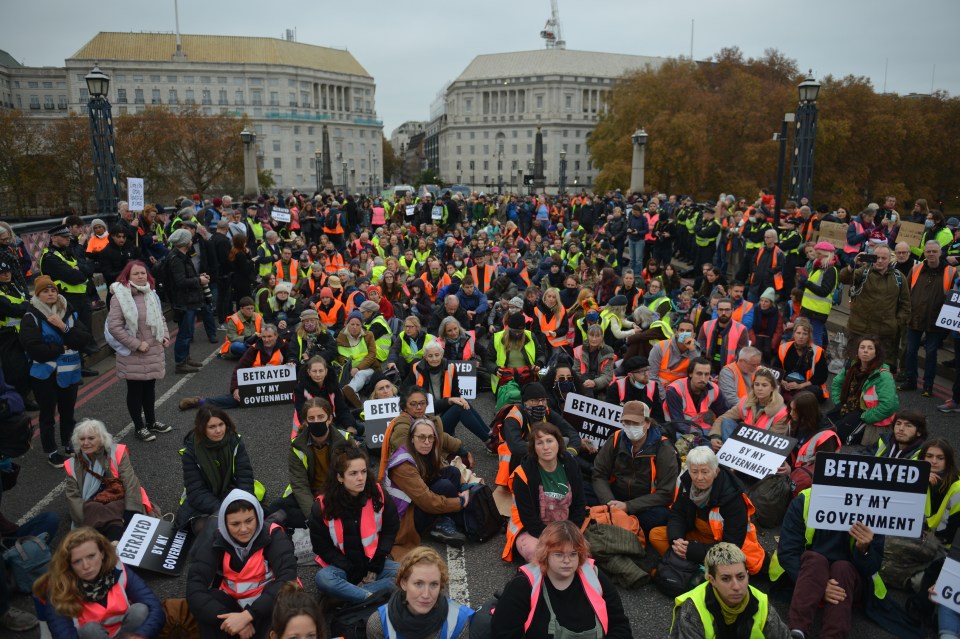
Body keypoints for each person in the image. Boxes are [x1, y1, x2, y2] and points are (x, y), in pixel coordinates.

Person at [770, 489, 885, 639]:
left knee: (842, 568)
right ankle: (797, 631)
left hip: (847, 580)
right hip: (808, 573)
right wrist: (819, 585)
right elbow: (788, 552)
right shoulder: (805, 500)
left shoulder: (872, 507)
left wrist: (864, 549)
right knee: (815, 559)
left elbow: (873, 566)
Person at [492, 520, 633, 639]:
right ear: (544, 554)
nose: (567, 561)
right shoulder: (523, 585)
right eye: (559, 554)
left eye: (573, 554)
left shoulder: (594, 574)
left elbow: (620, 624)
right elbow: (503, 633)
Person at [186, 489, 297, 639]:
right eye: (235, 523)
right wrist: (229, 619)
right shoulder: (216, 539)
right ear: (224, 524)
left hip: (266, 607)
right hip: (233, 608)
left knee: (284, 597)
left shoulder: (274, 535)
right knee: (210, 602)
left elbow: (287, 578)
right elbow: (194, 587)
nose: (243, 529)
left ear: (258, 517)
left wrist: (249, 615)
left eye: (249, 521)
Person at [649, 447, 765, 575]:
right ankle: (696, 569)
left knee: (730, 565)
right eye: (694, 472)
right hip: (699, 536)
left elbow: (732, 546)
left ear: (716, 471)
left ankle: (690, 569)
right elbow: (678, 514)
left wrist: (693, 551)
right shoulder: (687, 483)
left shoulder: (733, 497)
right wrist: (677, 539)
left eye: (705, 472)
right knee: (656, 535)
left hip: (726, 545)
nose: (699, 477)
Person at [33, 527, 165, 639]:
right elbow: (64, 635)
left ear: (102, 554)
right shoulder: (59, 588)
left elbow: (155, 608)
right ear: (69, 564)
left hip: (123, 633)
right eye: (77, 561)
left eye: (91, 556)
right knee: (90, 629)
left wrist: (141, 636)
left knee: (140, 610)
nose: (86, 566)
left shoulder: (118, 568)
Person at [310, 442, 400, 603]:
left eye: (364, 471)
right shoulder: (322, 506)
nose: (360, 478)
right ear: (339, 477)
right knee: (323, 579)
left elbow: (390, 528)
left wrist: (378, 561)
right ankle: (371, 597)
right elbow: (321, 547)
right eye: (353, 473)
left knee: (408, 574)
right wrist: (350, 569)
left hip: (373, 562)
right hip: (342, 567)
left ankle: (351, 596)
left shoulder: (378, 494)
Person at [20, 275, 93, 467]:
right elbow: (34, 347)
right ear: (38, 295)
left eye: (53, 290)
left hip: (69, 372)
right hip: (44, 375)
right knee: (47, 415)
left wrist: (63, 328)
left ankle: (69, 444)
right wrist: (62, 347)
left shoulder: (68, 312)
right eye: (45, 291)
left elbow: (83, 339)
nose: (50, 293)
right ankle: (51, 451)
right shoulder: (31, 317)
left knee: (68, 412)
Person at [592, 400, 679, 537]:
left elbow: (666, 493)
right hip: (615, 496)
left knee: (661, 516)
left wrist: (628, 506)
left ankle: (613, 523)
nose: (631, 427)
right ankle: (623, 524)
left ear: (648, 423)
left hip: (645, 503)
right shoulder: (616, 439)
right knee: (583, 491)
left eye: (636, 423)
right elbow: (599, 474)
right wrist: (609, 503)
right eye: (627, 423)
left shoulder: (663, 448)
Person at [106, 261, 172, 443]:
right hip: (134, 353)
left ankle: (151, 422)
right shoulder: (119, 296)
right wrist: (136, 344)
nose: (141, 276)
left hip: (153, 349)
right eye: (136, 274)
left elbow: (161, 318)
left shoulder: (151, 294)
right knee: (135, 390)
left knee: (149, 389)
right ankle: (139, 427)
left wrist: (165, 336)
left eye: (143, 273)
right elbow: (115, 326)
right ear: (127, 277)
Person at [669, 542, 790, 639]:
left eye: (741, 577)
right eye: (726, 579)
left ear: (747, 575)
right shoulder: (694, 608)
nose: (737, 586)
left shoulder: (761, 602)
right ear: (712, 580)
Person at [383, 417, 470, 552]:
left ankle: (443, 520)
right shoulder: (403, 465)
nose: (427, 442)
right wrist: (459, 502)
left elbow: (445, 468)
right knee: (444, 486)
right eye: (422, 437)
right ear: (412, 438)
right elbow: (427, 501)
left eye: (431, 437)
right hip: (405, 517)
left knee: (452, 472)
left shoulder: (427, 450)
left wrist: (465, 487)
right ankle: (443, 521)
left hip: (417, 503)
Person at [504, 423, 587, 563]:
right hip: (532, 532)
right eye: (539, 443)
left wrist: (569, 533)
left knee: (583, 555)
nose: (546, 447)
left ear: (558, 443)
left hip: (567, 529)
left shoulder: (571, 465)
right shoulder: (523, 473)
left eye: (549, 441)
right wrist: (555, 539)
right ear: (533, 448)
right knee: (544, 558)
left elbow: (580, 504)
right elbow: (528, 518)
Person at [64, 418, 149, 541]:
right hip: (91, 504)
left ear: (102, 439)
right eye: (82, 439)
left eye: (91, 438)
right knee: (96, 509)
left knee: (112, 507)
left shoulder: (117, 452)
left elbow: (130, 483)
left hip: (117, 497)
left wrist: (131, 511)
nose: (85, 443)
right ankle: (115, 541)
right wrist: (84, 519)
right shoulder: (71, 464)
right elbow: (73, 497)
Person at [175, 407, 256, 536]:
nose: (218, 430)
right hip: (205, 502)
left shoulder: (235, 442)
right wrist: (221, 509)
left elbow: (245, 477)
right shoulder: (191, 452)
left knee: (251, 521)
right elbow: (196, 491)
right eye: (212, 427)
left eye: (221, 424)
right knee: (205, 528)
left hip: (231, 494)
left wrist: (241, 504)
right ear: (202, 428)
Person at [366, 546, 474, 639]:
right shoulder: (379, 624)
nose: (426, 595)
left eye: (434, 584)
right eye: (418, 584)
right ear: (403, 583)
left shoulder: (457, 621)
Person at [179, 324, 292, 410]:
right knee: (235, 400)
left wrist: (292, 362)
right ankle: (199, 402)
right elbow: (239, 368)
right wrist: (235, 388)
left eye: (270, 336)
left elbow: (294, 360)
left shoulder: (284, 346)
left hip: (277, 387)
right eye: (264, 337)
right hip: (257, 386)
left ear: (276, 336)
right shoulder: (253, 349)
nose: (266, 340)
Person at [405, 341, 490, 445]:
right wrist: (448, 401)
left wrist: (455, 400)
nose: (434, 359)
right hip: (425, 418)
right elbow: (404, 393)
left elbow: (456, 394)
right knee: (459, 406)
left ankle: (490, 434)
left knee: (463, 402)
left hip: (442, 413)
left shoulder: (450, 367)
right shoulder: (416, 368)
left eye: (437, 355)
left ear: (442, 355)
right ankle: (488, 440)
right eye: (430, 356)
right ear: (425, 357)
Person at [840, 245, 910, 370]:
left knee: (878, 371)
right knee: (853, 367)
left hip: (884, 334)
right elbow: (844, 278)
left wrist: (896, 323)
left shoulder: (899, 278)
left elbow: (906, 304)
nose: (880, 261)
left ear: (890, 259)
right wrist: (853, 264)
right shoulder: (863, 272)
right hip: (859, 330)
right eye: (877, 257)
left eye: (884, 258)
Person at [901, 241, 957, 396]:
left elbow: (955, 298)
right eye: (928, 251)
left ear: (940, 252)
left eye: (934, 251)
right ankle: (910, 380)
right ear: (924, 253)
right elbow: (905, 291)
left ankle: (928, 385)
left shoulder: (951, 272)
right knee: (910, 351)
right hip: (915, 318)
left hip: (936, 321)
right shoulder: (916, 268)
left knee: (931, 354)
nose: (931, 254)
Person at [828, 336, 898, 447]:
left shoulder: (883, 375)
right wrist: (838, 403)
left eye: (870, 348)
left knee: (835, 436)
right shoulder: (852, 366)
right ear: (857, 351)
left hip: (865, 414)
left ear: (876, 353)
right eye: (862, 347)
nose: (865, 350)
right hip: (848, 407)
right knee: (823, 426)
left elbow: (889, 405)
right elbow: (837, 383)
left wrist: (865, 417)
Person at [167, 228, 211, 373]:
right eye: (190, 239)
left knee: (188, 331)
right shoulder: (176, 259)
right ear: (185, 243)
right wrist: (199, 280)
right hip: (184, 301)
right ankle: (180, 362)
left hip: (189, 299)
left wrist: (199, 277)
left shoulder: (182, 256)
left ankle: (186, 358)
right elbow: (180, 281)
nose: (192, 241)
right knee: (185, 333)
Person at [710, 367, 789, 448]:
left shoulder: (782, 412)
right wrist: (715, 436)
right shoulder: (746, 401)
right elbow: (723, 418)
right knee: (727, 422)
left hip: (761, 447)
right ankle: (728, 450)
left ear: (772, 388)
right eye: (757, 384)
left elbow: (773, 442)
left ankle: (730, 449)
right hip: (743, 439)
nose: (759, 388)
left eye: (764, 385)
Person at [663, 358, 728, 435]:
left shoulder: (714, 389)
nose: (703, 378)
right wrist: (703, 438)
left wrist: (715, 434)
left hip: (700, 427)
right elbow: (678, 424)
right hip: (676, 429)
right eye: (699, 374)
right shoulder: (675, 390)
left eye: (706, 374)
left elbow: (724, 414)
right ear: (690, 374)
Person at [485, 312, 545, 393]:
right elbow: (488, 360)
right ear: (508, 328)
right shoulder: (496, 338)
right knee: (513, 398)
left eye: (520, 332)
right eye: (514, 331)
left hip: (527, 377)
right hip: (505, 380)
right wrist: (495, 369)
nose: (517, 334)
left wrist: (539, 363)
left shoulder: (531, 336)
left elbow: (541, 354)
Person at [776, 318, 829, 404]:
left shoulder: (817, 351)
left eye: (805, 334)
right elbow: (776, 369)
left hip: (806, 385)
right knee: (769, 383)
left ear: (809, 336)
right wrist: (783, 382)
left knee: (813, 392)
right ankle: (791, 398)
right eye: (798, 333)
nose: (801, 337)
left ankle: (792, 399)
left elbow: (822, 376)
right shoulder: (784, 347)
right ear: (794, 334)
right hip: (787, 383)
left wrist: (800, 385)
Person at [797, 241, 839, 347]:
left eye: (819, 254)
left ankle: (816, 360)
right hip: (808, 308)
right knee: (804, 336)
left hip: (818, 311)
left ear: (827, 254)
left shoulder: (830, 270)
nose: (816, 256)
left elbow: (824, 292)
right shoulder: (818, 267)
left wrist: (806, 282)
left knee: (815, 338)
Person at [336, 310, 381, 408]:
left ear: (362, 325)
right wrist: (349, 367)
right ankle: (351, 395)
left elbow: (372, 355)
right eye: (352, 324)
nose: (355, 327)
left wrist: (358, 368)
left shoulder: (368, 335)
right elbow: (340, 356)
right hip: (349, 369)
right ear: (347, 324)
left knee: (360, 374)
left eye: (358, 324)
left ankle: (350, 390)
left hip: (369, 368)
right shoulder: (341, 336)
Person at [698, 297, 750, 376]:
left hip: (729, 371)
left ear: (732, 310)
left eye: (727, 310)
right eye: (721, 309)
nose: (723, 313)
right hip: (707, 369)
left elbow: (742, 354)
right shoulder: (706, 325)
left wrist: (730, 371)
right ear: (717, 310)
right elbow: (700, 346)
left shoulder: (741, 329)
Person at [649, 320, 701, 398]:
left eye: (688, 331)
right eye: (681, 330)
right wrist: (664, 397)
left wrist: (692, 349)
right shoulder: (660, 347)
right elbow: (652, 376)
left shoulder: (695, 350)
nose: (684, 333)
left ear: (694, 335)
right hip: (659, 391)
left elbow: (697, 374)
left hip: (682, 393)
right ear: (676, 333)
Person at [606, 356, 664, 421]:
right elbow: (610, 415)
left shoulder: (653, 386)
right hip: (623, 425)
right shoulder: (616, 387)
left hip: (646, 426)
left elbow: (658, 416)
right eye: (641, 371)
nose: (646, 374)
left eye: (647, 369)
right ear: (630, 375)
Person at [573, 324, 616, 398]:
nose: (594, 339)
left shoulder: (608, 351)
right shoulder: (579, 350)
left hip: (601, 382)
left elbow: (607, 375)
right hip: (584, 382)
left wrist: (594, 382)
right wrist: (583, 383)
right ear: (587, 335)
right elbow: (576, 371)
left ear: (602, 337)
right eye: (591, 335)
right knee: (585, 378)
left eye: (597, 336)